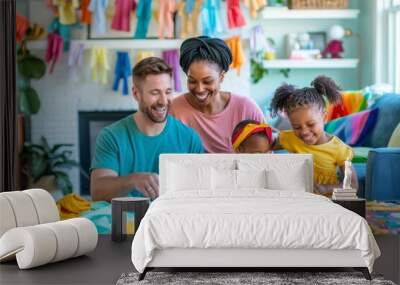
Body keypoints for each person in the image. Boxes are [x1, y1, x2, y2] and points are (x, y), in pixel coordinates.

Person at [90, 57, 204, 201]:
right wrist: (133, 180)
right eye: (155, 93)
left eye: (168, 91)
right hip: (124, 220)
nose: (163, 101)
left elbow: (201, 193)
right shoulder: (111, 136)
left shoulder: (190, 138)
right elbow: (97, 192)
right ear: (136, 93)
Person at [170, 36, 264, 153]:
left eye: (207, 81)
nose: (199, 89)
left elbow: (266, 157)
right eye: (192, 81)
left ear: (221, 77)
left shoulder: (246, 109)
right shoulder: (174, 110)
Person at [270, 75, 358, 196]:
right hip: (298, 201)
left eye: (311, 124)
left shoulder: (340, 150)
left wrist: (327, 188)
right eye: (297, 127)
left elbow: (353, 185)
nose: (304, 132)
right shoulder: (290, 138)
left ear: (324, 117)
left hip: (327, 205)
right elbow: (266, 142)